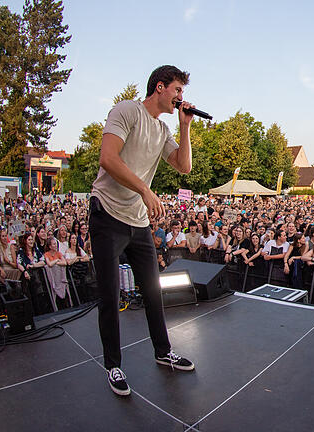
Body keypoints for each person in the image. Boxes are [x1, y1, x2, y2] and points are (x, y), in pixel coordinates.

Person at [89, 65, 195, 396]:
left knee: (152, 290)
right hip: (106, 212)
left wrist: (185, 127)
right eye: (177, 90)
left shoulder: (163, 129)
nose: (181, 97)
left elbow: (183, 166)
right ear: (160, 87)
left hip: (137, 221)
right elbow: (108, 157)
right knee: (109, 294)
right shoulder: (126, 110)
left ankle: (163, 352)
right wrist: (146, 191)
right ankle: (113, 365)